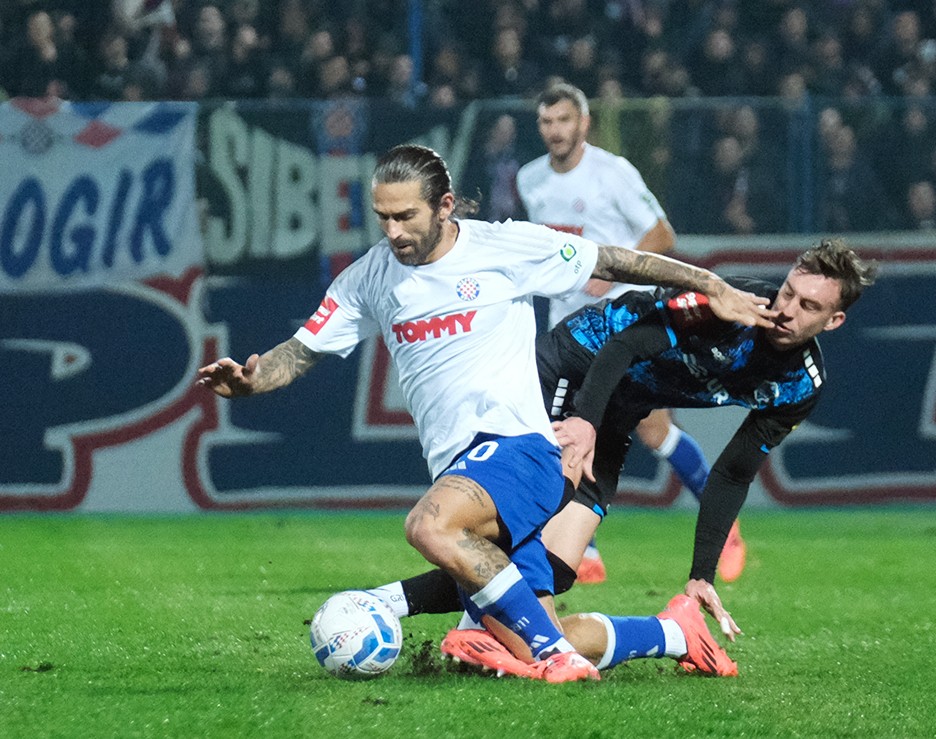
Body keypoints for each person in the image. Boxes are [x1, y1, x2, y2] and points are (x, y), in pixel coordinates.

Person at [198, 144, 773, 683]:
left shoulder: (505, 246)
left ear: (445, 206)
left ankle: (552, 660)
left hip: (519, 450)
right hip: (461, 468)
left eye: (406, 216)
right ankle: (676, 633)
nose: (394, 231)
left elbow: (614, 259)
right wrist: (250, 382)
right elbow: (302, 349)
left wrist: (707, 283)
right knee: (529, 633)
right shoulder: (370, 277)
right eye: (383, 217)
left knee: (428, 526)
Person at [369, 238, 878, 677]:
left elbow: (733, 472)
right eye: (789, 291)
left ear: (833, 321)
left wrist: (701, 573)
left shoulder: (800, 387)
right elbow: (625, 345)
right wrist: (584, 422)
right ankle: (423, 615)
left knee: (560, 567)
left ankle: (670, 631)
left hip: (619, 408)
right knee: (517, 539)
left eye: (809, 306)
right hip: (576, 366)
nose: (787, 308)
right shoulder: (728, 308)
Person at [516, 82, 743, 585]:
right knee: (561, 434)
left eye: (563, 121)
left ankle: (721, 519)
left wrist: (611, 273)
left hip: (622, 323)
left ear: (584, 123)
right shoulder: (530, 179)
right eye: (546, 122)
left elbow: (662, 235)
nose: (555, 131)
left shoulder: (611, 173)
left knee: (652, 429)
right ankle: (584, 548)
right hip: (564, 331)